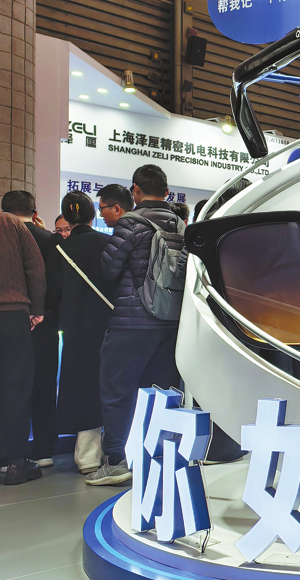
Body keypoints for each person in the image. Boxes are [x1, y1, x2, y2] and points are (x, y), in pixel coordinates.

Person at [89, 165, 184, 486]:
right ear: (167, 192)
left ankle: (117, 461)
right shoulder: (181, 225)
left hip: (132, 321)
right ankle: (157, 457)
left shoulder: (131, 223)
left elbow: (109, 269)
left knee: (117, 391)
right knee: (162, 393)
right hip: (171, 322)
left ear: (136, 191)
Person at [55, 191, 115, 474]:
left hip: (74, 328)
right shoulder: (109, 243)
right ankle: (115, 449)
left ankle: (87, 455)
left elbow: (54, 291)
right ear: (94, 215)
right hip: (109, 325)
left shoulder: (59, 249)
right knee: (111, 386)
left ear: (67, 217)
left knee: (80, 385)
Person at [1, 191, 62, 467]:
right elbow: (39, 272)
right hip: (27, 317)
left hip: (15, 315)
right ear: (34, 212)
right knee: (29, 385)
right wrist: (38, 311)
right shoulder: (44, 237)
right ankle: (31, 454)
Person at [0, 210, 45, 485]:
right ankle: (16, 463)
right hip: (12, 313)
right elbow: (35, 267)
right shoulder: (12, 223)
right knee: (15, 387)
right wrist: (36, 309)